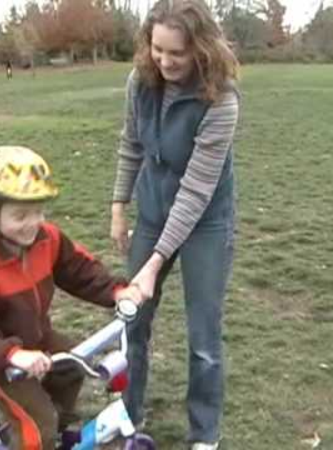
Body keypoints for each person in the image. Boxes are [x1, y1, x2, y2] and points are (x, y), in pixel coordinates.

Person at [0, 145, 143, 450]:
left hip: (37, 338)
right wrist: (13, 355)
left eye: (39, 211)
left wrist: (116, 291)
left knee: (71, 366)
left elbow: (78, 270)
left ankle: (54, 429)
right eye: (20, 215)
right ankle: (38, 435)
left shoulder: (47, 239)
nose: (33, 223)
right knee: (37, 427)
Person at [109, 1, 240, 449]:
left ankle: (204, 434)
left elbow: (195, 192)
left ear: (201, 49)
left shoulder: (221, 99)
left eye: (176, 54)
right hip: (151, 209)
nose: (164, 61)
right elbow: (131, 145)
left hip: (205, 220)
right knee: (133, 319)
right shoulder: (140, 81)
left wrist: (154, 262)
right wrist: (119, 207)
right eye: (157, 49)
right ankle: (129, 412)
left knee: (203, 336)